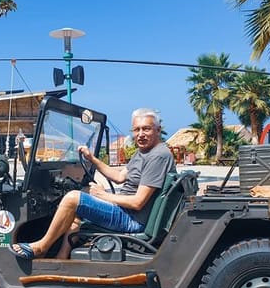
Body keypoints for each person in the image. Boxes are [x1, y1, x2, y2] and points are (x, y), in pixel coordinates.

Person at [9, 107, 176, 260]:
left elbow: (138, 202)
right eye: (137, 129)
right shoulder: (143, 152)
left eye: (146, 129)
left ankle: (41, 246)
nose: (140, 134)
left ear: (158, 130)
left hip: (132, 219)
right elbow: (119, 176)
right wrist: (92, 159)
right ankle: (62, 256)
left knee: (72, 198)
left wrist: (103, 195)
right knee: (82, 196)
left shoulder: (158, 156)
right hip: (127, 211)